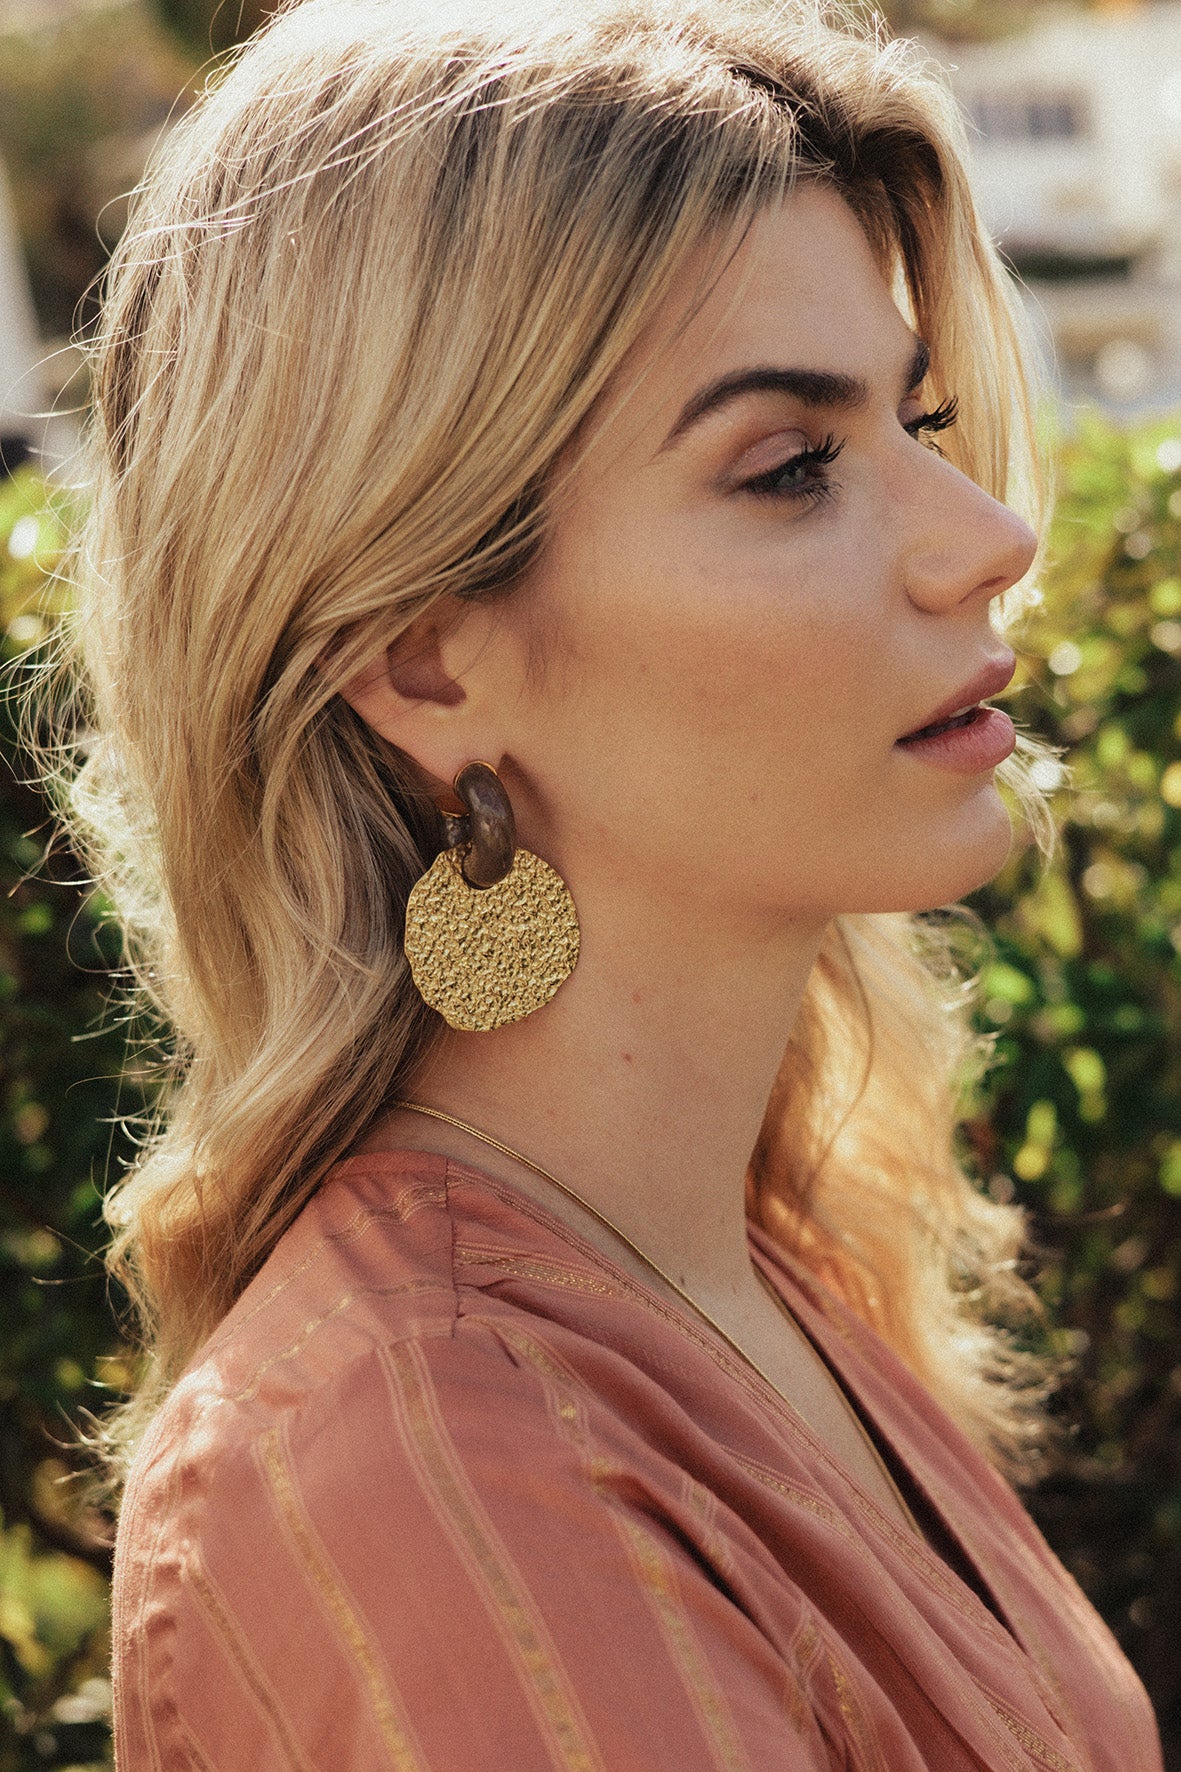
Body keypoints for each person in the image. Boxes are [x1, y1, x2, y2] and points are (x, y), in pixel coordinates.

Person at [54, 0, 1163, 1764]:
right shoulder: (427, 1467)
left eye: (920, 418)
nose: (987, 537)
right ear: (424, 658)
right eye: (790, 467)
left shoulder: (757, 1266)